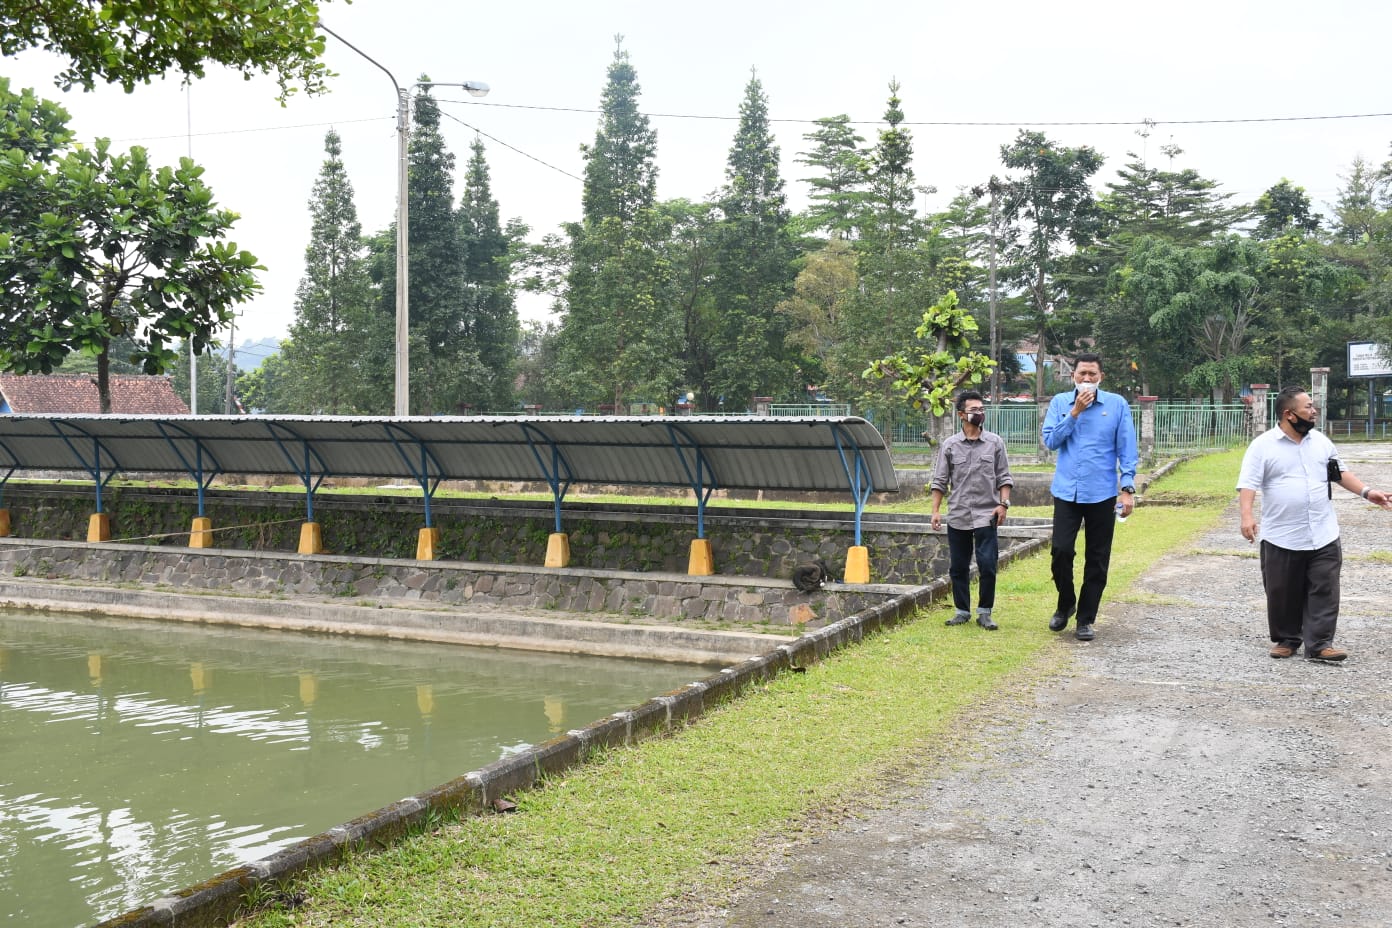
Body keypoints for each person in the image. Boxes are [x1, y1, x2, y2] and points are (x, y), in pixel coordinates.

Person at [1237, 386, 1391, 661]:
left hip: (1323, 532)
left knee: (1325, 588)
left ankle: (1320, 644)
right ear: (1289, 414)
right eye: (1308, 406)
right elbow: (1248, 484)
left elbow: (1339, 473)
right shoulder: (1263, 446)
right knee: (1282, 591)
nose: (1314, 410)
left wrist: (1368, 492)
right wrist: (1247, 516)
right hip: (1281, 534)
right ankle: (1287, 638)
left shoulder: (1321, 442)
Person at [1040, 353, 1138, 641]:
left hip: (1102, 493)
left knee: (1097, 558)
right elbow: (1051, 441)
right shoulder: (1060, 403)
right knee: (1061, 551)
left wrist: (1127, 488)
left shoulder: (1117, 405)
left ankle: (1085, 618)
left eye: (1092, 375)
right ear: (1073, 376)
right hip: (1067, 491)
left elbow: (1127, 448)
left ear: (1101, 377)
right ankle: (1066, 602)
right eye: (1082, 374)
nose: (1086, 379)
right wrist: (1075, 413)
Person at [930, 390, 1014, 630]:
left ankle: (985, 612)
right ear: (961, 415)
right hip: (958, 514)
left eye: (981, 409)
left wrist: (1003, 504)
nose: (979, 413)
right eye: (974, 410)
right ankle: (962, 611)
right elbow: (940, 481)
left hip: (987, 514)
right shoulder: (950, 445)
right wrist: (936, 511)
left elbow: (1004, 477)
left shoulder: (995, 443)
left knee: (987, 564)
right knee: (958, 566)